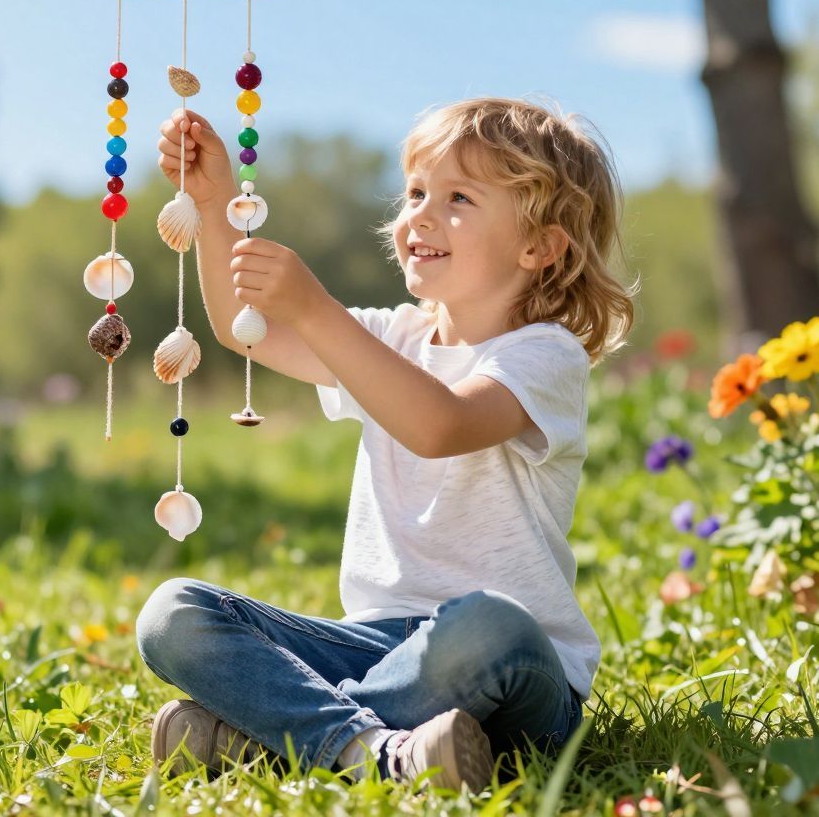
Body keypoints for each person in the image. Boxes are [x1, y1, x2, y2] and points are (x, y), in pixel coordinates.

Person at [136, 97, 637, 791]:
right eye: (415, 193)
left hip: (507, 670)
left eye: (459, 197)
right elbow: (240, 330)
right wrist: (216, 197)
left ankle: (271, 741)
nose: (421, 216)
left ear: (540, 246)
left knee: (490, 627)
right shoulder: (391, 337)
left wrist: (315, 308)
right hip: (372, 650)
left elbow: (439, 427)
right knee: (174, 614)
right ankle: (371, 750)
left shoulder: (545, 355)